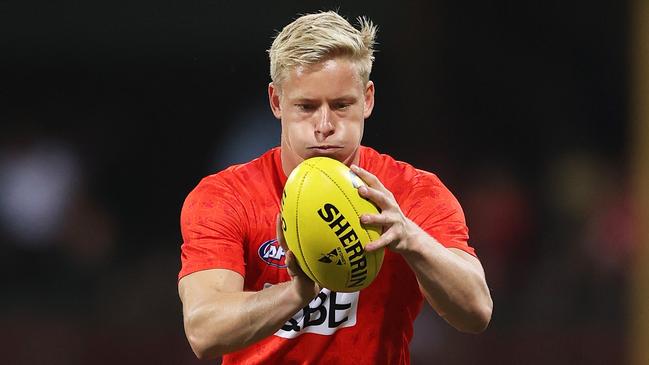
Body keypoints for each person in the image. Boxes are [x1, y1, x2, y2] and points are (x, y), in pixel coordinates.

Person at [178, 10, 492, 364]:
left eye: (341, 105)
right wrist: (298, 292)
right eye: (307, 107)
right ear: (277, 102)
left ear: (368, 99)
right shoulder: (225, 197)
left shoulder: (412, 193)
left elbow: (476, 311)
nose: (324, 125)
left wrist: (410, 238)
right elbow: (204, 331)